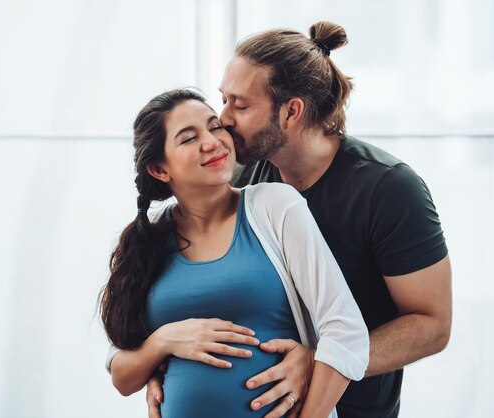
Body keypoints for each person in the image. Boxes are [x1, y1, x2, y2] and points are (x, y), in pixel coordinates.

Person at [141, 21, 452, 418]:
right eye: (224, 99)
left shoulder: (389, 189)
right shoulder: (238, 179)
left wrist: (322, 361)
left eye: (241, 104)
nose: (224, 119)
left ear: (291, 112)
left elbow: (433, 324)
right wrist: (164, 361)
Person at [101, 88, 369, 418]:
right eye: (188, 138)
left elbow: (346, 330)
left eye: (215, 127)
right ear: (159, 169)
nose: (212, 141)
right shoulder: (147, 239)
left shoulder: (275, 207)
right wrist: (162, 342)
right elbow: (122, 377)